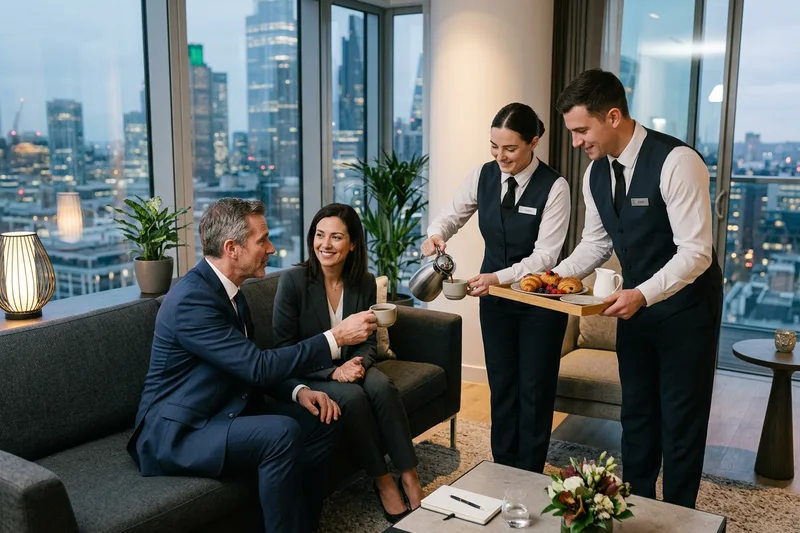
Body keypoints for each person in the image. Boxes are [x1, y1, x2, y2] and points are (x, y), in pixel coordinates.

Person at [127, 198, 378, 533]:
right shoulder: (193, 300)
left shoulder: (231, 292)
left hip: (223, 412)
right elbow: (257, 366)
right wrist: (335, 338)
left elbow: (246, 365)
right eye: (263, 240)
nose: (271, 248)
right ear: (232, 248)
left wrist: (299, 390)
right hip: (179, 432)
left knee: (324, 418)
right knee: (280, 433)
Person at [551, 69, 723, 508]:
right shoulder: (595, 174)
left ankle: (681, 515)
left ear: (613, 116)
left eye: (581, 130)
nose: (575, 142)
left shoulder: (677, 161)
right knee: (638, 415)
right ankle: (638, 506)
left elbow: (696, 252)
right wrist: (553, 279)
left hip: (687, 311)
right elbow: (595, 243)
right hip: (634, 309)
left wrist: (643, 293)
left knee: (681, 420)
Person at [421, 103, 571, 473]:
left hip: (541, 301)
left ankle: (530, 471)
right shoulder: (482, 176)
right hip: (495, 301)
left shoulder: (555, 187)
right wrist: (436, 233)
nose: (499, 156)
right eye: (494, 146)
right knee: (502, 384)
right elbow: (452, 214)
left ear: (533, 142)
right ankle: (504, 468)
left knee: (534, 390)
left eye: (510, 149)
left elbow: (546, 256)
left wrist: (498, 278)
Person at [272, 203, 423, 524]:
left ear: (353, 243)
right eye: (319, 235)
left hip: (352, 365)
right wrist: (332, 372)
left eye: (336, 237)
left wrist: (356, 364)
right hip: (312, 372)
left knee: (382, 386)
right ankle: (383, 481)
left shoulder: (364, 281)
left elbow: (369, 340)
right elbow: (285, 349)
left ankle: (409, 474)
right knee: (353, 399)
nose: (325, 245)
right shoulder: (293, 282)